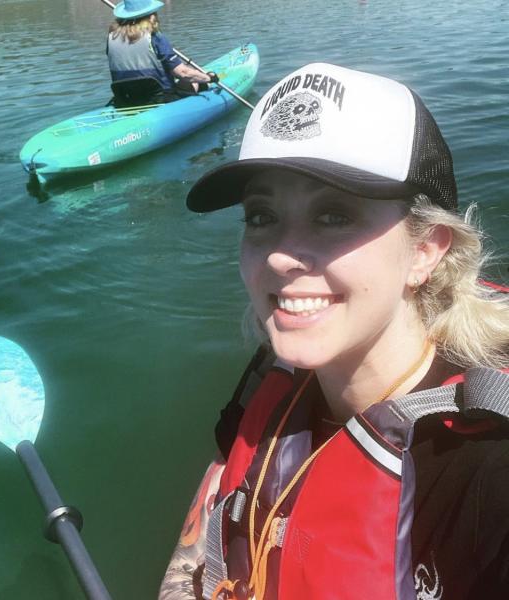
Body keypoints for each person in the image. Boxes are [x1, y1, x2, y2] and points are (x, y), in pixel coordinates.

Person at [159, 62, 509, 600]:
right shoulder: (275, 369)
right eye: (260, 216)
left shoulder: (489, 470)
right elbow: (209, 517)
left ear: (426, 250)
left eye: (334, 216)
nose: (278, 254)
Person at [106, 0, 216, 107]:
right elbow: (183, 73)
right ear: (151, 15)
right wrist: (208, 78)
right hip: (159, 99)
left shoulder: (111, 37)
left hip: (127, 98)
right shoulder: (155, 37)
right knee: (192, 78)